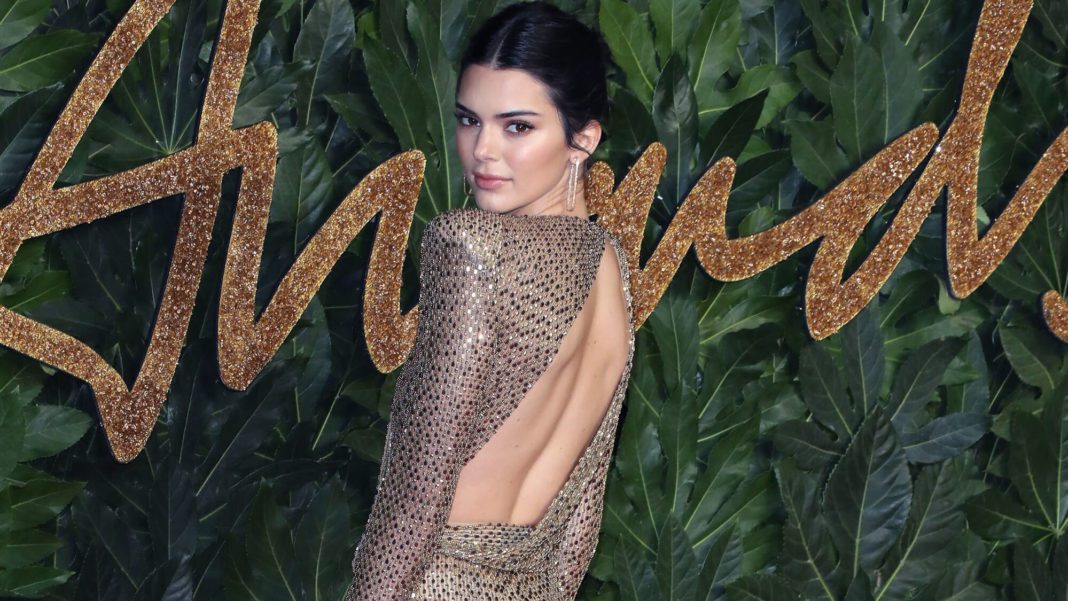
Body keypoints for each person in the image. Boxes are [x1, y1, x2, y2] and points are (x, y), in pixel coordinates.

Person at [345, 2, 633, 599]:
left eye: (517, 126)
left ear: (582, 139)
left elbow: (415, 496)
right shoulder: (611, 267)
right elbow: (580, 522)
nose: (482, 150)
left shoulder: (472, 245)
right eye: (469, 119)